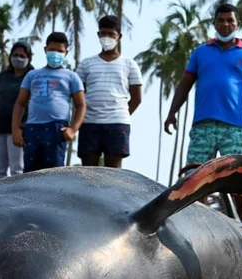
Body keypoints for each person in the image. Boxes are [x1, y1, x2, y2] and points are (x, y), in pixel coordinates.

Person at [164, 3, 242, 223]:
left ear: (237, 24)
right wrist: (172, 112)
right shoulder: (200, 53)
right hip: (203, 125)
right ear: (214, 23)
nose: (225, 24)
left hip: (235, 126)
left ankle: (240, 224)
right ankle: (199, 224)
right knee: (196, 177)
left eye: (230, 20)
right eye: (221, 20)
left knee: (239, 176)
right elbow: (185, 84)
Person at [12, 32, 86, 172]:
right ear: (45, 50)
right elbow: (20, 103)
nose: (55, 54)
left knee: (54, 172)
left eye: (60, 51)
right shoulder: (32, 75)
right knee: (31, 172)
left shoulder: (71, 76)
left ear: (66, 52)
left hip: (56, 128)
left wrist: (72, 129)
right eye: (52, 50)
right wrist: (16, 129)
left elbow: (81, 105)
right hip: (32, 128)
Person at [75, 15, 143, 168]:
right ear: (98, 35)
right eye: (103, 33)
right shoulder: (86, 64)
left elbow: (137, 98)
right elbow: (78, 95)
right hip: (89, 122)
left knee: (114, 172)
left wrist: (120, 114)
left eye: (111, 34)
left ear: (119, 36)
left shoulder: (129, 64)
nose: (107, 38)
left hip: (117, 122)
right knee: (87, 171)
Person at [0, 42, 34, 179]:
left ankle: (16, 199)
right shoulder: (3, 76)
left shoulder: (32, 76)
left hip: (20, 128)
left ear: (29, 58)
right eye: (15, 55)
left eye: (22, 56)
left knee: (17, 169)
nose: (18, 58)